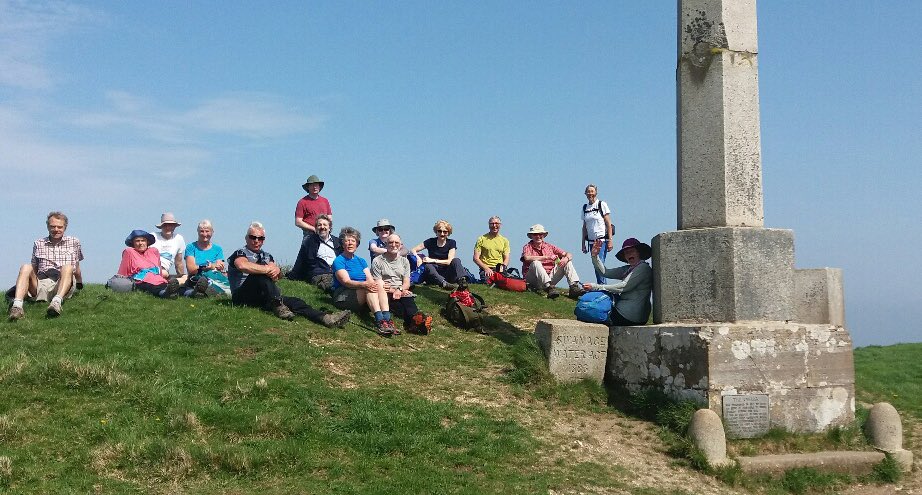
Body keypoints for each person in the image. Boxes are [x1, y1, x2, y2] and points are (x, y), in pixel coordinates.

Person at [227, 222, 350, 327]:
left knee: (296, 302)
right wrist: (267, 269)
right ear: (246, 238)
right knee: (259, 274)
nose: (256, 241)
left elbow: (277, 275)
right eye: (253, 237)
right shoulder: (240, 252)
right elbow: (242, 265)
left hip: (263, 297)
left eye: (260, 238)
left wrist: (277, 271)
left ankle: (326, 318)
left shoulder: (266, 255)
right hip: (242, 295)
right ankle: (277, 305)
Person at [7, 211, 84, 320]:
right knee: (26, 267)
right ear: (47, 227)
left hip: (62, 282)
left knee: (67, 267)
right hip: (42, 283)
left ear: (65, 228)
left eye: (59, 227)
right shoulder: (38, 243)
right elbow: (33, 269)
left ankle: (56, 303)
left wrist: (80, 283)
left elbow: (76, 267)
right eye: (52, 226)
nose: (56, 230)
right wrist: (25, 283)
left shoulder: (74, 242)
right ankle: (17, 307)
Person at [331, 227, 395, 335]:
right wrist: (364, 284)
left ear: (357, 244)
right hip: (344, 294)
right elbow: (346, 282)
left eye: (353, 241)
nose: (350, 243)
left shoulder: (361, 260)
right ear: (342, 244)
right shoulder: (339, 260)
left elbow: (370, 278)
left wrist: (376, 284)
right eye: (347, 241)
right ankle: (380, 321)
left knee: (378, 283)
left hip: (362, 290)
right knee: (368, 288)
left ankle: (387, 319)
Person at [582, 238, 653, 326]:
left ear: (639, 252)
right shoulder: (628, 269)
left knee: (589, 312)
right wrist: (595, 256)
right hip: (624, 313)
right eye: (626, 253)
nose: (629, 254)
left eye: (632, 251)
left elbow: (623, 287)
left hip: (629, 316)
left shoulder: (643, 268)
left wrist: (595, 287)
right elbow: (605, 272)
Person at [370, 234, 433, 334]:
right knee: (398, 307)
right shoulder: (377, 261)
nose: (393, 245)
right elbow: (377, 281)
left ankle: (416, 321)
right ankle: (414, 323)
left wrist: (399, 290)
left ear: (400, 245)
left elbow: (406, 282)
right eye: (390, 242)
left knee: (408, 300)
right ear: (386, 244)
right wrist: (393, 291)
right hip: (385, 292)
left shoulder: (404, 261)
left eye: (396, 243)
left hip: (400, 290)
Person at [520, 224, 585, 299]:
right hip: (534, 279)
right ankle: (548, 288)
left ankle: (574, 287)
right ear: (531, 236)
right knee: (536, 263)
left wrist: (566, 258)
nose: (538, 236)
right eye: (535, 234)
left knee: (567, 262)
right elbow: (527, 258)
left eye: (540, 234)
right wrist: (547, 257)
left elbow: (568, 254)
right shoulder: (527, 246)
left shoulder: (550, 247)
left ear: (544, 235)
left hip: (549, 277)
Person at [117, 229, 185, 298]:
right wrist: (120, 282)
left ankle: (191, 293)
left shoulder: (153, 251)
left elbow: (159, 270)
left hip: (158, 279)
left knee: (173, 286)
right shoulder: (129, 252)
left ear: (147, 242)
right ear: (133, 243)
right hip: (140, 281)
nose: (140, 243)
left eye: (143, 240)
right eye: (137, 241)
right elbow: (122, 271)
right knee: (154, 287)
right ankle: (165, 294)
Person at [286, 214, 342, 291]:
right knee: (332, 285)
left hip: (337, 272)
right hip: (319, 273)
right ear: (316, 228)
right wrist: (293, 275)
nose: (322, 227)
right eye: (319, 225)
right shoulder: (309, 242)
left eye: (325, 225)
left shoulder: (338, 242)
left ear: (329, 228)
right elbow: (300, 260)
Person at [410, 220, 466, 290]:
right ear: (436, 232)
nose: (442, 234)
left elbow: (449, 261)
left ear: (448, 233)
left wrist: (432, 260)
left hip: (447, 272)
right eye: (439, 231)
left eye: (445, 232)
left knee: (456, 260)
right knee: (428, 265)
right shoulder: (430, 241)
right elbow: (413, 250)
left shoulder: (451, 242)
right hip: (433, 274)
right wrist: (418, 257)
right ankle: (443, 283)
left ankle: (462, 281)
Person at [184, 219, 231, 296]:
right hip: (197, 276)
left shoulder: (218, 249)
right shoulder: (190, 247)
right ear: (198, 232)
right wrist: (207, 267)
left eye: (207, 231)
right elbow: (191, 269)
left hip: (214, 276)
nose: (205, 234)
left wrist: (214, 266)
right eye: (202, 231)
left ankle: (211, 291)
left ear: (212, 232)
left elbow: (220, 265)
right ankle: (200, 291)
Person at [580, 184, 614, 284]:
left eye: (592, 191)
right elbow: (584, 227)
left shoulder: (601, 204)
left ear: (596, 192)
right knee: (596, 265)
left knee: (600, 264)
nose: (590, 193)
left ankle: (603, 287)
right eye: (588, 191)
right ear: (585, 193)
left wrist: (610, 240)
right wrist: (583, 244)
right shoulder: (585, 207)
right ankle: (602, 286)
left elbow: (608, 223)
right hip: (591, 241)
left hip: (601, 240)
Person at [473, 215, 510, 281]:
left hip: (499, 268)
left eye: (496, 223)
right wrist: (486, 268)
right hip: (486, 268)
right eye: (492, 223)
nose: (494, 225)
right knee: (489, 283)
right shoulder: (481, 239)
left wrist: (502, 268)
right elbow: (476, 258)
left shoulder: (505, 240)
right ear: (489, 225)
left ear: (500, 225)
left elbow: (506, 258)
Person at [152, 212, 187, 282]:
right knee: (164, 273)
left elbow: (178, 262)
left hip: (165, 270)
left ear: (174, 226)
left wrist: (181, 275)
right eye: (165, 225)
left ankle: (175, 285)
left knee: (186, 278)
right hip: (152, 267)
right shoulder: (153, 237)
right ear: (161, 226)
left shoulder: (178, 238)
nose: (168, 228)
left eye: (171, 225)